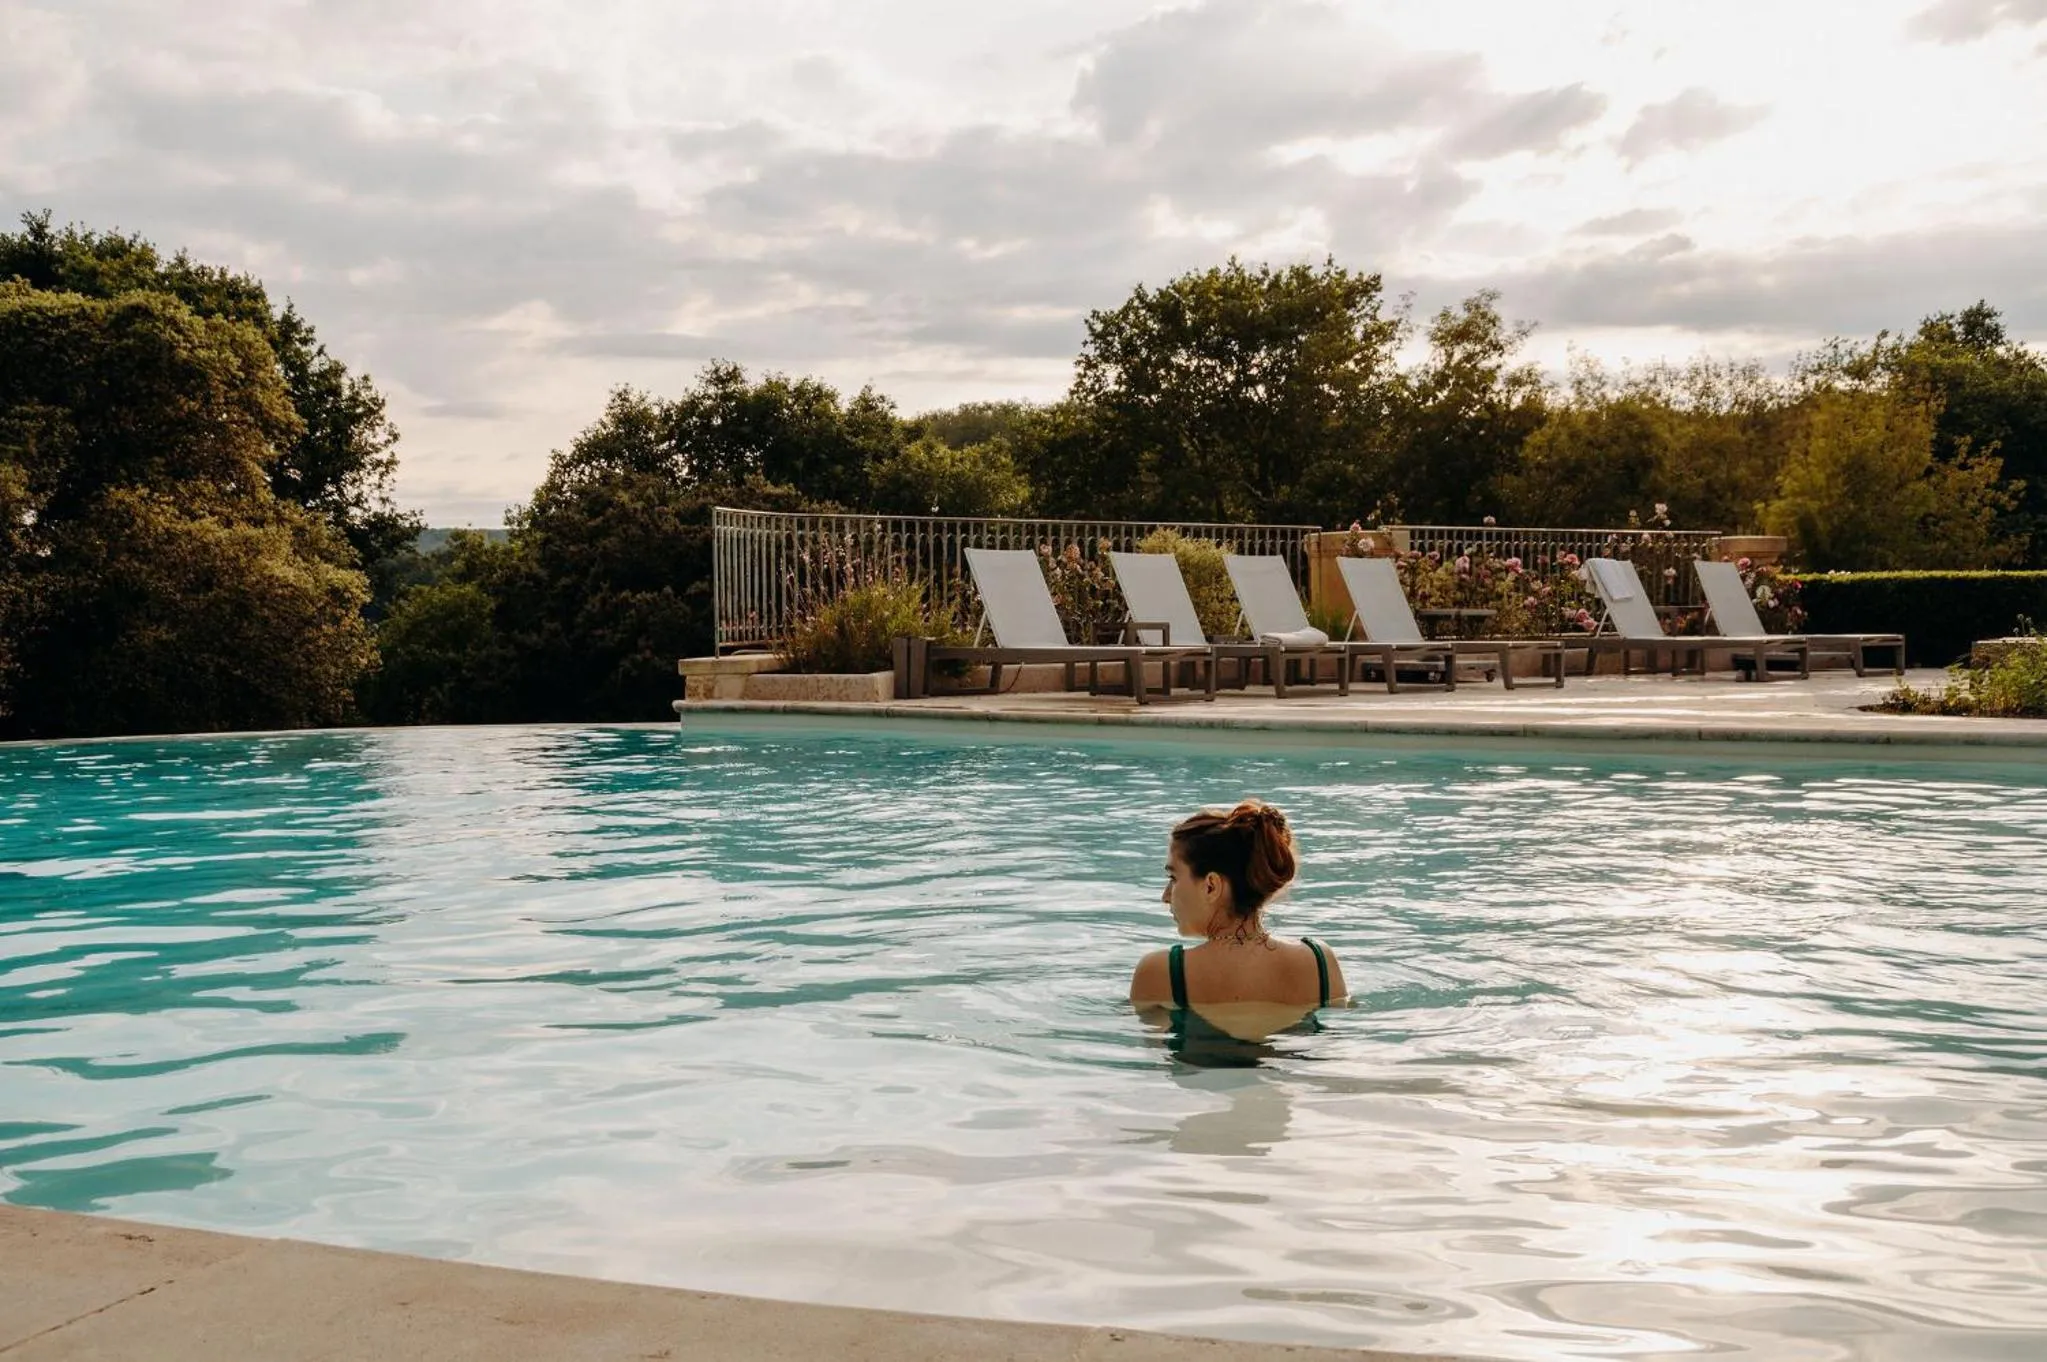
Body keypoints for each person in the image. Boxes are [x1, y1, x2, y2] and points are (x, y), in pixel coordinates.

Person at [1129, 799, 1347, 1015]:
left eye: (1173, 878)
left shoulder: (1163, 973)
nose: (1165, 896)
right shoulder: (1320, 962)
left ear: (1211, 886)